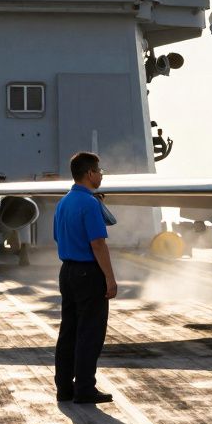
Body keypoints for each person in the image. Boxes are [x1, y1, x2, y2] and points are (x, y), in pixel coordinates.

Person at [53, 152, 118, 404]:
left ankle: (64, 388)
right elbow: (98, 244)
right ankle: (85, 388)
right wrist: (110, 279)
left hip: (67, 271)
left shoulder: (63, 202)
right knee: (90, 332)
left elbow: (58, 237)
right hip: (88, 273)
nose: (101, 175)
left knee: (68, 331)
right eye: (99, 171)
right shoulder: (90, 204)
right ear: (89, 174)